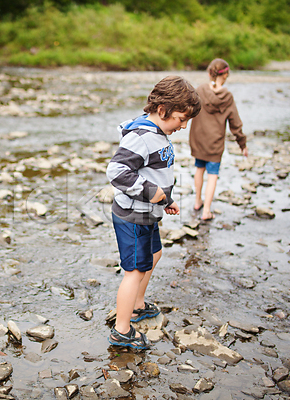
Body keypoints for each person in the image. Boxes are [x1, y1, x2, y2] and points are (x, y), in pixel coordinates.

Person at [106, 76, 201, 349]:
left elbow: (154, 172)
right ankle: (122, 330)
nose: (183, 126)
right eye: (181, 119)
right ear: (162, 111)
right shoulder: (141, 137)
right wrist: (150, 192)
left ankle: (137, 304)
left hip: (148, 212)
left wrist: (165, 199)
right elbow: (116, 171)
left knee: (155, 254)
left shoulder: (158, 133)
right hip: (133, 215)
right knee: (134, 270)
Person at [189, 58, 248, 221]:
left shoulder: (200, 90)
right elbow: (235, 122)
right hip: (215, 142)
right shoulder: (227, 96)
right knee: (213, 175)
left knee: (199, 169)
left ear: (210, 73)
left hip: (198, 139)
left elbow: (188, 108)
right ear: (226, 74)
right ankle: (206, 210)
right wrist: (242, 144)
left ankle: (197, 201)